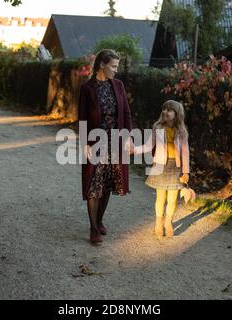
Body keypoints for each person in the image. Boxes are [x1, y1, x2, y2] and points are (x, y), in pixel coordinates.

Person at [78, 49, 134, 245]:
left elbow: (126, 113)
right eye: (113, 66)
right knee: (94, 183)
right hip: (96, 141)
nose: (116, 70)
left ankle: (100, 220)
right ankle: (93, 228)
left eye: (117, 67)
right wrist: (85, 142)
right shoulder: (87, 88)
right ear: (102, 64)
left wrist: (127, 137)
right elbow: (82, 117)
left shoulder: (118, 85)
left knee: (108, 182)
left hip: (115, 141)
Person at [128, 100, 190, 240]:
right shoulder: (158, 128)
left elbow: (185, 153)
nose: (166, 112)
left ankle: (168, 222)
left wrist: (186, 172)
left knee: (173, 199)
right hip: (160, 166)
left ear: (177, 113)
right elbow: (149, 146)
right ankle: (158, 222)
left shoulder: (181, 131)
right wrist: (135, 150)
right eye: (164, 109)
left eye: (169, 110)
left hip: (176, 167)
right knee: (160, 198)